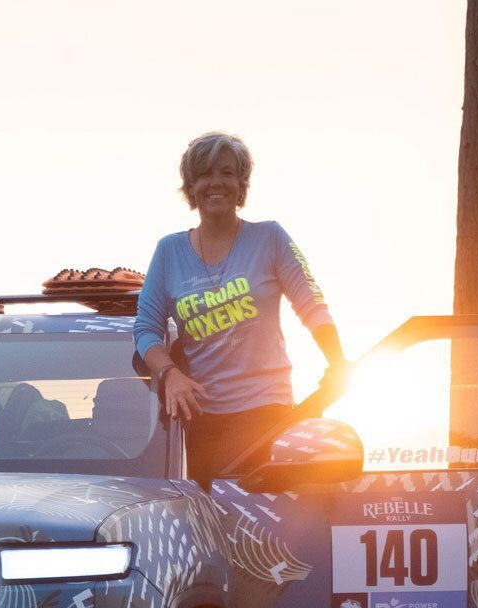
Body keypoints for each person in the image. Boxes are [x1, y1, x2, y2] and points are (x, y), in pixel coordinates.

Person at [134, 131, 350, 485]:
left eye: (226, 172)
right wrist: (170, 374)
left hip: (266, 415)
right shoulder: (169, 251)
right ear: (191, 186)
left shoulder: (270, 238)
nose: (215, 182)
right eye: (204, 174)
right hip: (199, 418)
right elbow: (145, 329)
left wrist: (338, 362)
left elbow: (311, 304)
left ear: (241, 183)